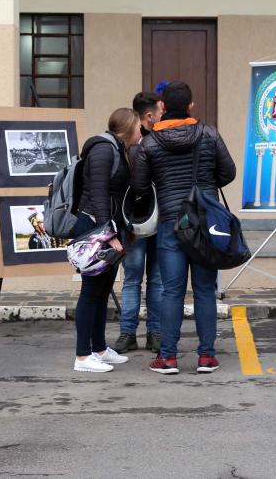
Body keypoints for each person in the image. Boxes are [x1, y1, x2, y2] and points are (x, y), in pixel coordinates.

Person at [132, 81, 236, 374]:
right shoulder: (209, 133)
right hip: (204, 221)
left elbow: (139, 187)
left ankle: (168, 357)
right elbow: (229, 172)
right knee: (204, 290)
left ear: (162, 107)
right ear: (190, 107)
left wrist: (162, 184)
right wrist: (205, 182)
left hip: (170, 223)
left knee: (171, 292)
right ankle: (206, 356)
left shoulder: (150, 143)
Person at [72, 108, 141, 373]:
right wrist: (108, 235)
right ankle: (82, 356)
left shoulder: (118, 148)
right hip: (94, 228)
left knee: (102, 291)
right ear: (127, 128)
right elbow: (99, 194)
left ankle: (99, 348)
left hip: (107, 227)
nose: (140, 132)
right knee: (90, 292)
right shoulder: (103, 149)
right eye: (137, 127)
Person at [114, 92, 166, 354]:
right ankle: (136, 333)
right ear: (148, 116)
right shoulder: (138, 145)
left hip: (142, 221)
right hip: (138, 222)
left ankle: (143, 333)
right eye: (158, 112)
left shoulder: (139, 144)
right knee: (141, 279)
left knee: (144, 279)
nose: (161, 115)